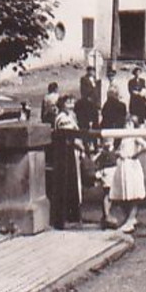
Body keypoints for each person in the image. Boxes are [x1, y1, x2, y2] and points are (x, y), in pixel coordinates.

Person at [109, 115, 146, 232]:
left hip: (131, 166)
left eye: (130, 124)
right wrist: (118, 153)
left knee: (133, 194)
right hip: (122, 166)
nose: (127, 126)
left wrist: (136, 154)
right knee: (122, 194)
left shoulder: (134, 136)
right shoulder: (123, 137)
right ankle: (129, 218)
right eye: (126, 124)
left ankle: (131, 219)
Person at [53, 95, 83, 226]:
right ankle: (67, 217)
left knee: (74, 182)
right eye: (68, 102)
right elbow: (70, 136)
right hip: (66, 153)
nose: (71, 104)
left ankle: (73, 215)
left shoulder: (71, 117)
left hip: (71, 152)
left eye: (72, 101)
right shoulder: (62, 118)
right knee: (68, 183)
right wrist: (81, 146)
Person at [93, 137, 119, 229]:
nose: (107, 143)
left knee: (111, 194)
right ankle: (106, 215)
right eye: (106, 141)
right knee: (107, 194)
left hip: (113, 173)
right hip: (107, 173)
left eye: (109, 141)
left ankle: (106, 215)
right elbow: (94, 160)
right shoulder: (103, 153)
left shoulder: (115, 151)